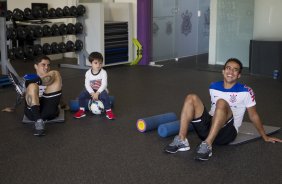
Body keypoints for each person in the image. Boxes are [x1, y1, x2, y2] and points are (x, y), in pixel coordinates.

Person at [164, 58, 282, 161]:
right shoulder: (213, 86)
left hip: (227, 133)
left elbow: (253, 115)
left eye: (235, 70)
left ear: (239, 75)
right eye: (228, 68)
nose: (230, 72)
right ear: (223, 71)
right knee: (191, 97)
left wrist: (264, 136)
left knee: (221, 102)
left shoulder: (246, 91)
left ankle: (208, 145)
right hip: (207, 129)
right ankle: (182, 140)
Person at [8, 55, 62, 136]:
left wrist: (64, 105)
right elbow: (20, 94)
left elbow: (57, 95)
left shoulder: (52, 77)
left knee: (56, 73)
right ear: (35, 66)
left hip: (48, 110)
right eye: (43, 64)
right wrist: (13, 107)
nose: (46, 67)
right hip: (33, 111)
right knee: (33, 86)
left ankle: (26, 84)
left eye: (48, 65)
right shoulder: (27, 77)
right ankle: (39, 122)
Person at [73, 51, 115, 120]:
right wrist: (92, 93)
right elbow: (87, 85)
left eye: (100, 63)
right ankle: (81, 110)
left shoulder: (103, 72)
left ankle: (108, 111)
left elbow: (104, 84)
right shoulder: (88, 73)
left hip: (101, 90)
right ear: (91, 63)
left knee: (105, 96)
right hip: (91, 91)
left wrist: (97, 93)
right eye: (96, 63)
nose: (98, 65)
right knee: (81, 95)